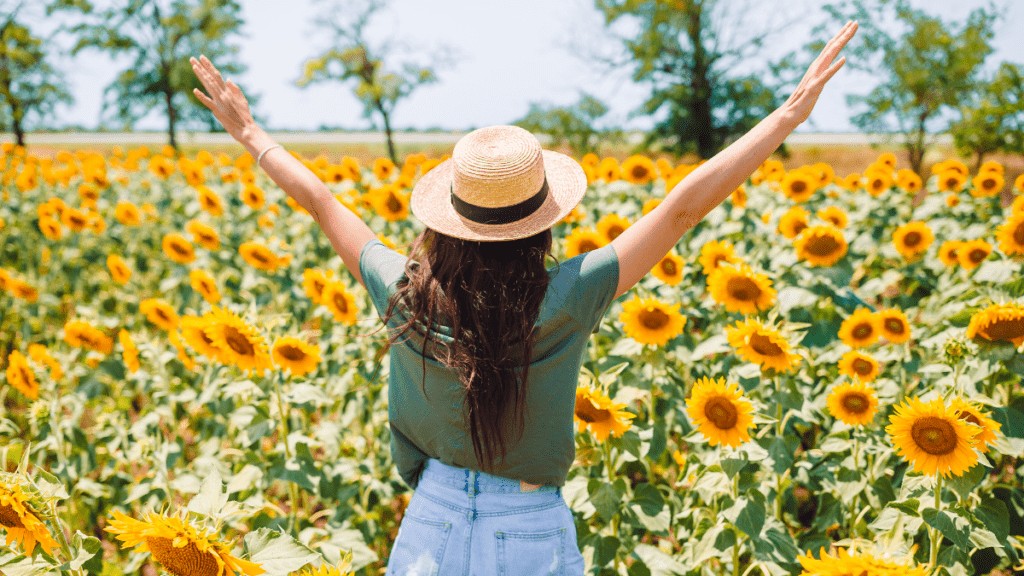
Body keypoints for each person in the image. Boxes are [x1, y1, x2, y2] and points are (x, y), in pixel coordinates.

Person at [190, 18, 856, 576]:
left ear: (445, 215)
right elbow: (680, 210)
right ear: (542, 218)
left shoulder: (402, 288)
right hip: (528, 527)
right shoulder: (569, 293)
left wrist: (253, 135)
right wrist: (786, 117)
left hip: (432, 519)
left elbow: (320, 200)